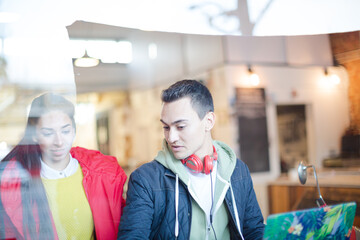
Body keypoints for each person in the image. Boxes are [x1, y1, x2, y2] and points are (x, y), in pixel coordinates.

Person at [118, 79, 265, 239]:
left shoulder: (238, 171)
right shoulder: (145, 179)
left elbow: (254, 230)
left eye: (180, 127)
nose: (171, 137)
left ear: (208, 121)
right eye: (166, 127)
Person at [0, 93, 127, 240]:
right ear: (34, 136)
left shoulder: (102, 175)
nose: (59, 141)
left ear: (73, 131)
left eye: (65, 131)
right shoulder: (16, 184)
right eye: (48, 133)